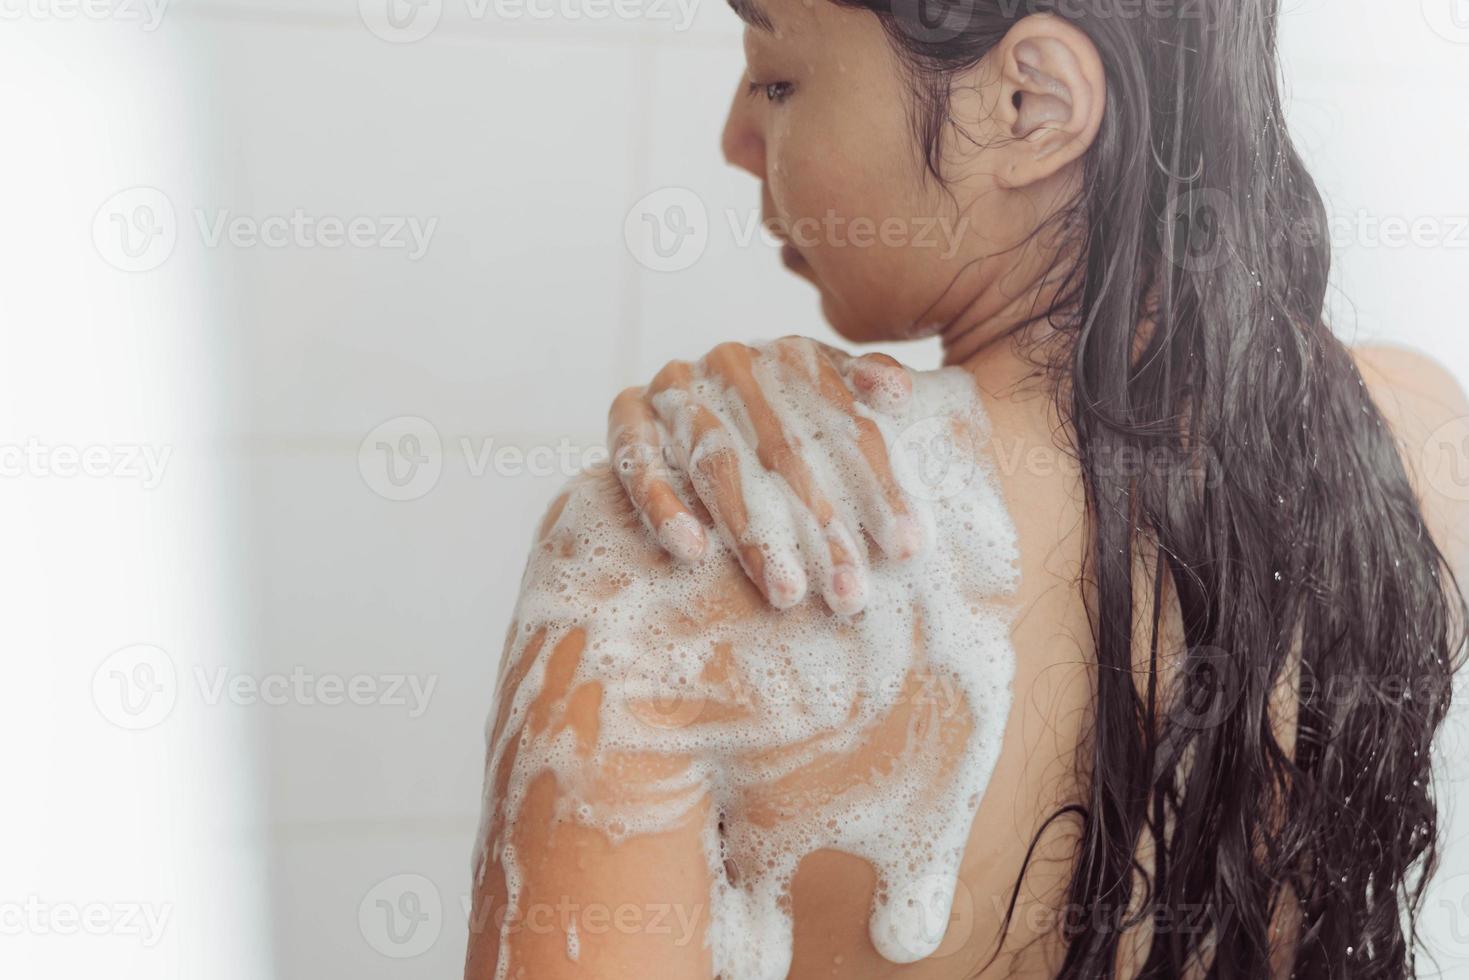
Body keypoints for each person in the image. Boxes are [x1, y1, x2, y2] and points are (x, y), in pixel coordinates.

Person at [466, 1, 1469, 976]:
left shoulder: (678, 558)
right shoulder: (1414, 440)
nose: (734, 136)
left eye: (779, 77)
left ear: (1030, 106)